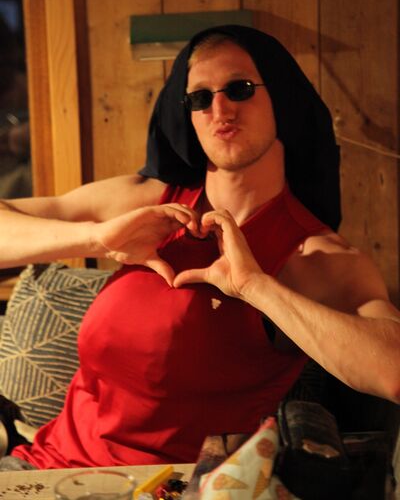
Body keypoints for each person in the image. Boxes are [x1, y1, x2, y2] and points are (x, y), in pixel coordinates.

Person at [0, 25, 399, 471]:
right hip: (39, 470)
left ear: (282, 99)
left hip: (170, 488)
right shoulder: (147, 199)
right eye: (200, 98)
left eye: (239, 88)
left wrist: (255, 287)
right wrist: (96, 237)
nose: (219, 109)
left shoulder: (314, 255)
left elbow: (394, 371)